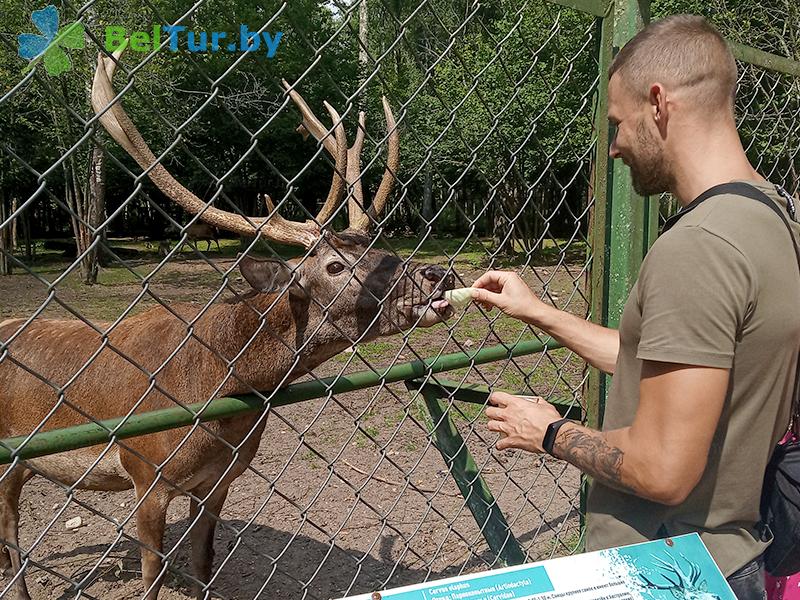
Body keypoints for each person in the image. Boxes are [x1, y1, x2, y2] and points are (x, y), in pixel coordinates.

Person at [471, 15, 799, 600]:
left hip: (669, 570)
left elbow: (662, 469)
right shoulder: (775, 218)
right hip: (735, 558)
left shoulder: (698, 249)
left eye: (618, 123)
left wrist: (549, 431)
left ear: (658, 103)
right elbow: (678, 364)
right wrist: (539, 311)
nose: (615, 145)